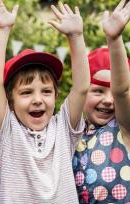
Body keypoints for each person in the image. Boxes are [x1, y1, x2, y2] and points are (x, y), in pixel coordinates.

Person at [0, 0, 90, 203]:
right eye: (26, 93)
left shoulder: (64, 128)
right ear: (10, 99)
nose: (37, 100)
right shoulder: (7, 130)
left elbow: (81, 87)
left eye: (46, 91)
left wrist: (76, 37)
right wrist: (3, 30)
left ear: (56, 96)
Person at [73, 0, 130, 203]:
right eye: (97, 91)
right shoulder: (71, 133)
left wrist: (114, 39)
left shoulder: (124, 128)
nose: (108, 100)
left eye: (113, 92)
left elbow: (122, 91)